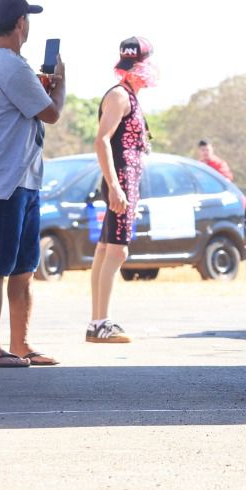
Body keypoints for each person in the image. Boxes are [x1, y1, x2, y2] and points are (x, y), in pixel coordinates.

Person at [0, 0, 67, 369]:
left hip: (20, 178)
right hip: (4, 181)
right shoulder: (11, 66)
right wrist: (61, 82)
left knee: (24, 267)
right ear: (20, 23)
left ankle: (19, 344)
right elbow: (51, 114)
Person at [88, 37, 157, 344]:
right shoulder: (119, 96)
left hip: (126, 180)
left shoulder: (129, 95)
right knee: (117, 249)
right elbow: (102, 140)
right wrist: (115, 186)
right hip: (121, 181)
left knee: (106, 250)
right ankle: (101, 323)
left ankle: (98, 322)